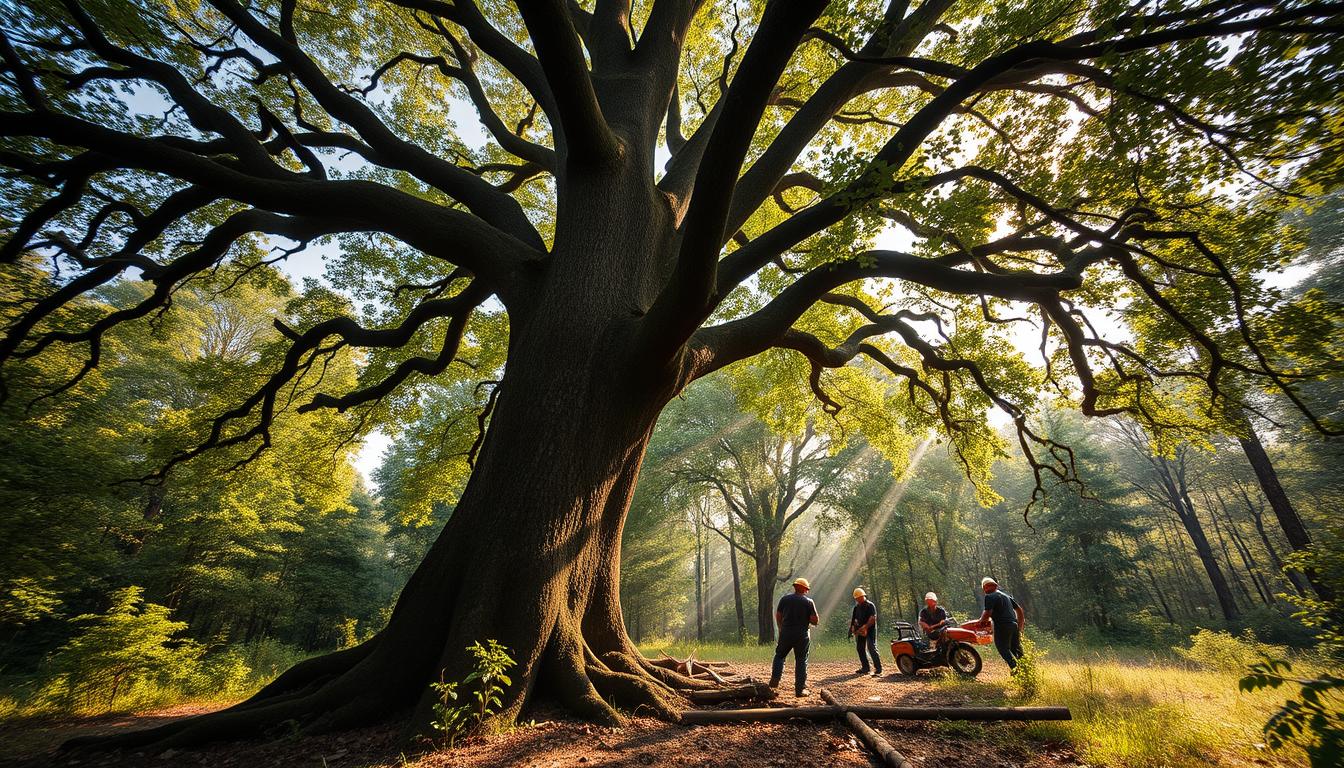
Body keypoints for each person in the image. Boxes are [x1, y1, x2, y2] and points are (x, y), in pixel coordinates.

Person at [769, 577, 818, 697]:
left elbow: (778, 615)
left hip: (786, 632)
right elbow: (815, 620)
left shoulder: (785, 599)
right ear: (804, 589)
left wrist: (781, 628)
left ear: (795, 587)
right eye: (806, 589)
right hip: (802, 635)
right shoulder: (808, 602)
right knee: (801, 660)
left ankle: (775, 680)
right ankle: (799, 690)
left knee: (780, 655)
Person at [975, 577, 1026, 671]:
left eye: (985, 588)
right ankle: (1027, 670)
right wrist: (1020, 626)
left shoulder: (989, 596)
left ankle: (1016, 670)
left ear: (984, 588)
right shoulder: (1006, 596)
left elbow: (987, 613)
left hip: (1002, 626)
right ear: (996, 586)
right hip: (1013, 625)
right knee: (1017, 650)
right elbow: (1019, 610)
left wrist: (980, 622)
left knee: (1003, 648)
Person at [848, 588, 882, 676]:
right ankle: (865, 667)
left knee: (871, 647)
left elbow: (873, 618)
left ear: (863, 596)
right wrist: (852, 629)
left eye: (860, 597)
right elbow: (853, 619)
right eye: (857, 598)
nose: (858, 599)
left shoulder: (870, 605)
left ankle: (878, 668)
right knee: (860, 648)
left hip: (870, 629)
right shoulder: (856, 607)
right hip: (860, 631)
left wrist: (865, 627)